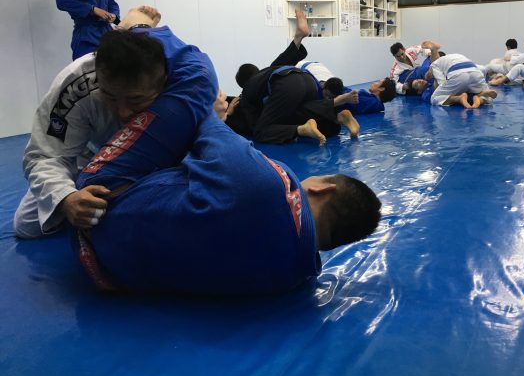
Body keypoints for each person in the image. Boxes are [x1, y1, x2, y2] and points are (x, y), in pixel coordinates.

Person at [73, 113, 382, 295]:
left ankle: (141, 27)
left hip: (100, 207)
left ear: (323, 189)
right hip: (113, 273)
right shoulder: (292, 280)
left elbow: (206, 123)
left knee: (195, 81)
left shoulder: (267, 187)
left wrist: (217, 109)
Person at [13, 6, 218, 239]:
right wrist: (67, 198)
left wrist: (213, 114)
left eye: (136, 100)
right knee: (26, 224)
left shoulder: (178, 85)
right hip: (92, 154)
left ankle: (136, 24)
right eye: (110, 97)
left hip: (155, 157)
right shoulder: (78, 83)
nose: (123, 111)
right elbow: (44, 155)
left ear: (161, 84)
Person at [227, 10, 359, 145]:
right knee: (298, 112)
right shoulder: (267, 72)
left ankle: (302, 129)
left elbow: (254, 124)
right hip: (307, 79)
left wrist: (228, 114)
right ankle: (338, 117)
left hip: (288, 86)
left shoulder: (247, 91)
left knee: (261, 131)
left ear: (243, 84)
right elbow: (285, 59)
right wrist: (297, 39)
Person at [295, 60, 396, 114]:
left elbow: (349, 99)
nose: (374, 82)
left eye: (378, 82)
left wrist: (336, 89)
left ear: (381, 89)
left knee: (308, 71)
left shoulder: (371, 102)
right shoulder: (374, 103)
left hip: (328, 95)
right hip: (333, 93)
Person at [427, 44, 497, 108]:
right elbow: (483, 69)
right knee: (489, 97)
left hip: (459, 75)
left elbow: (441, 82)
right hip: (475, 72)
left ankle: (458, 98)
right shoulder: (456, 56)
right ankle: (480, 98)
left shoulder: (434, 64)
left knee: (434, 98)